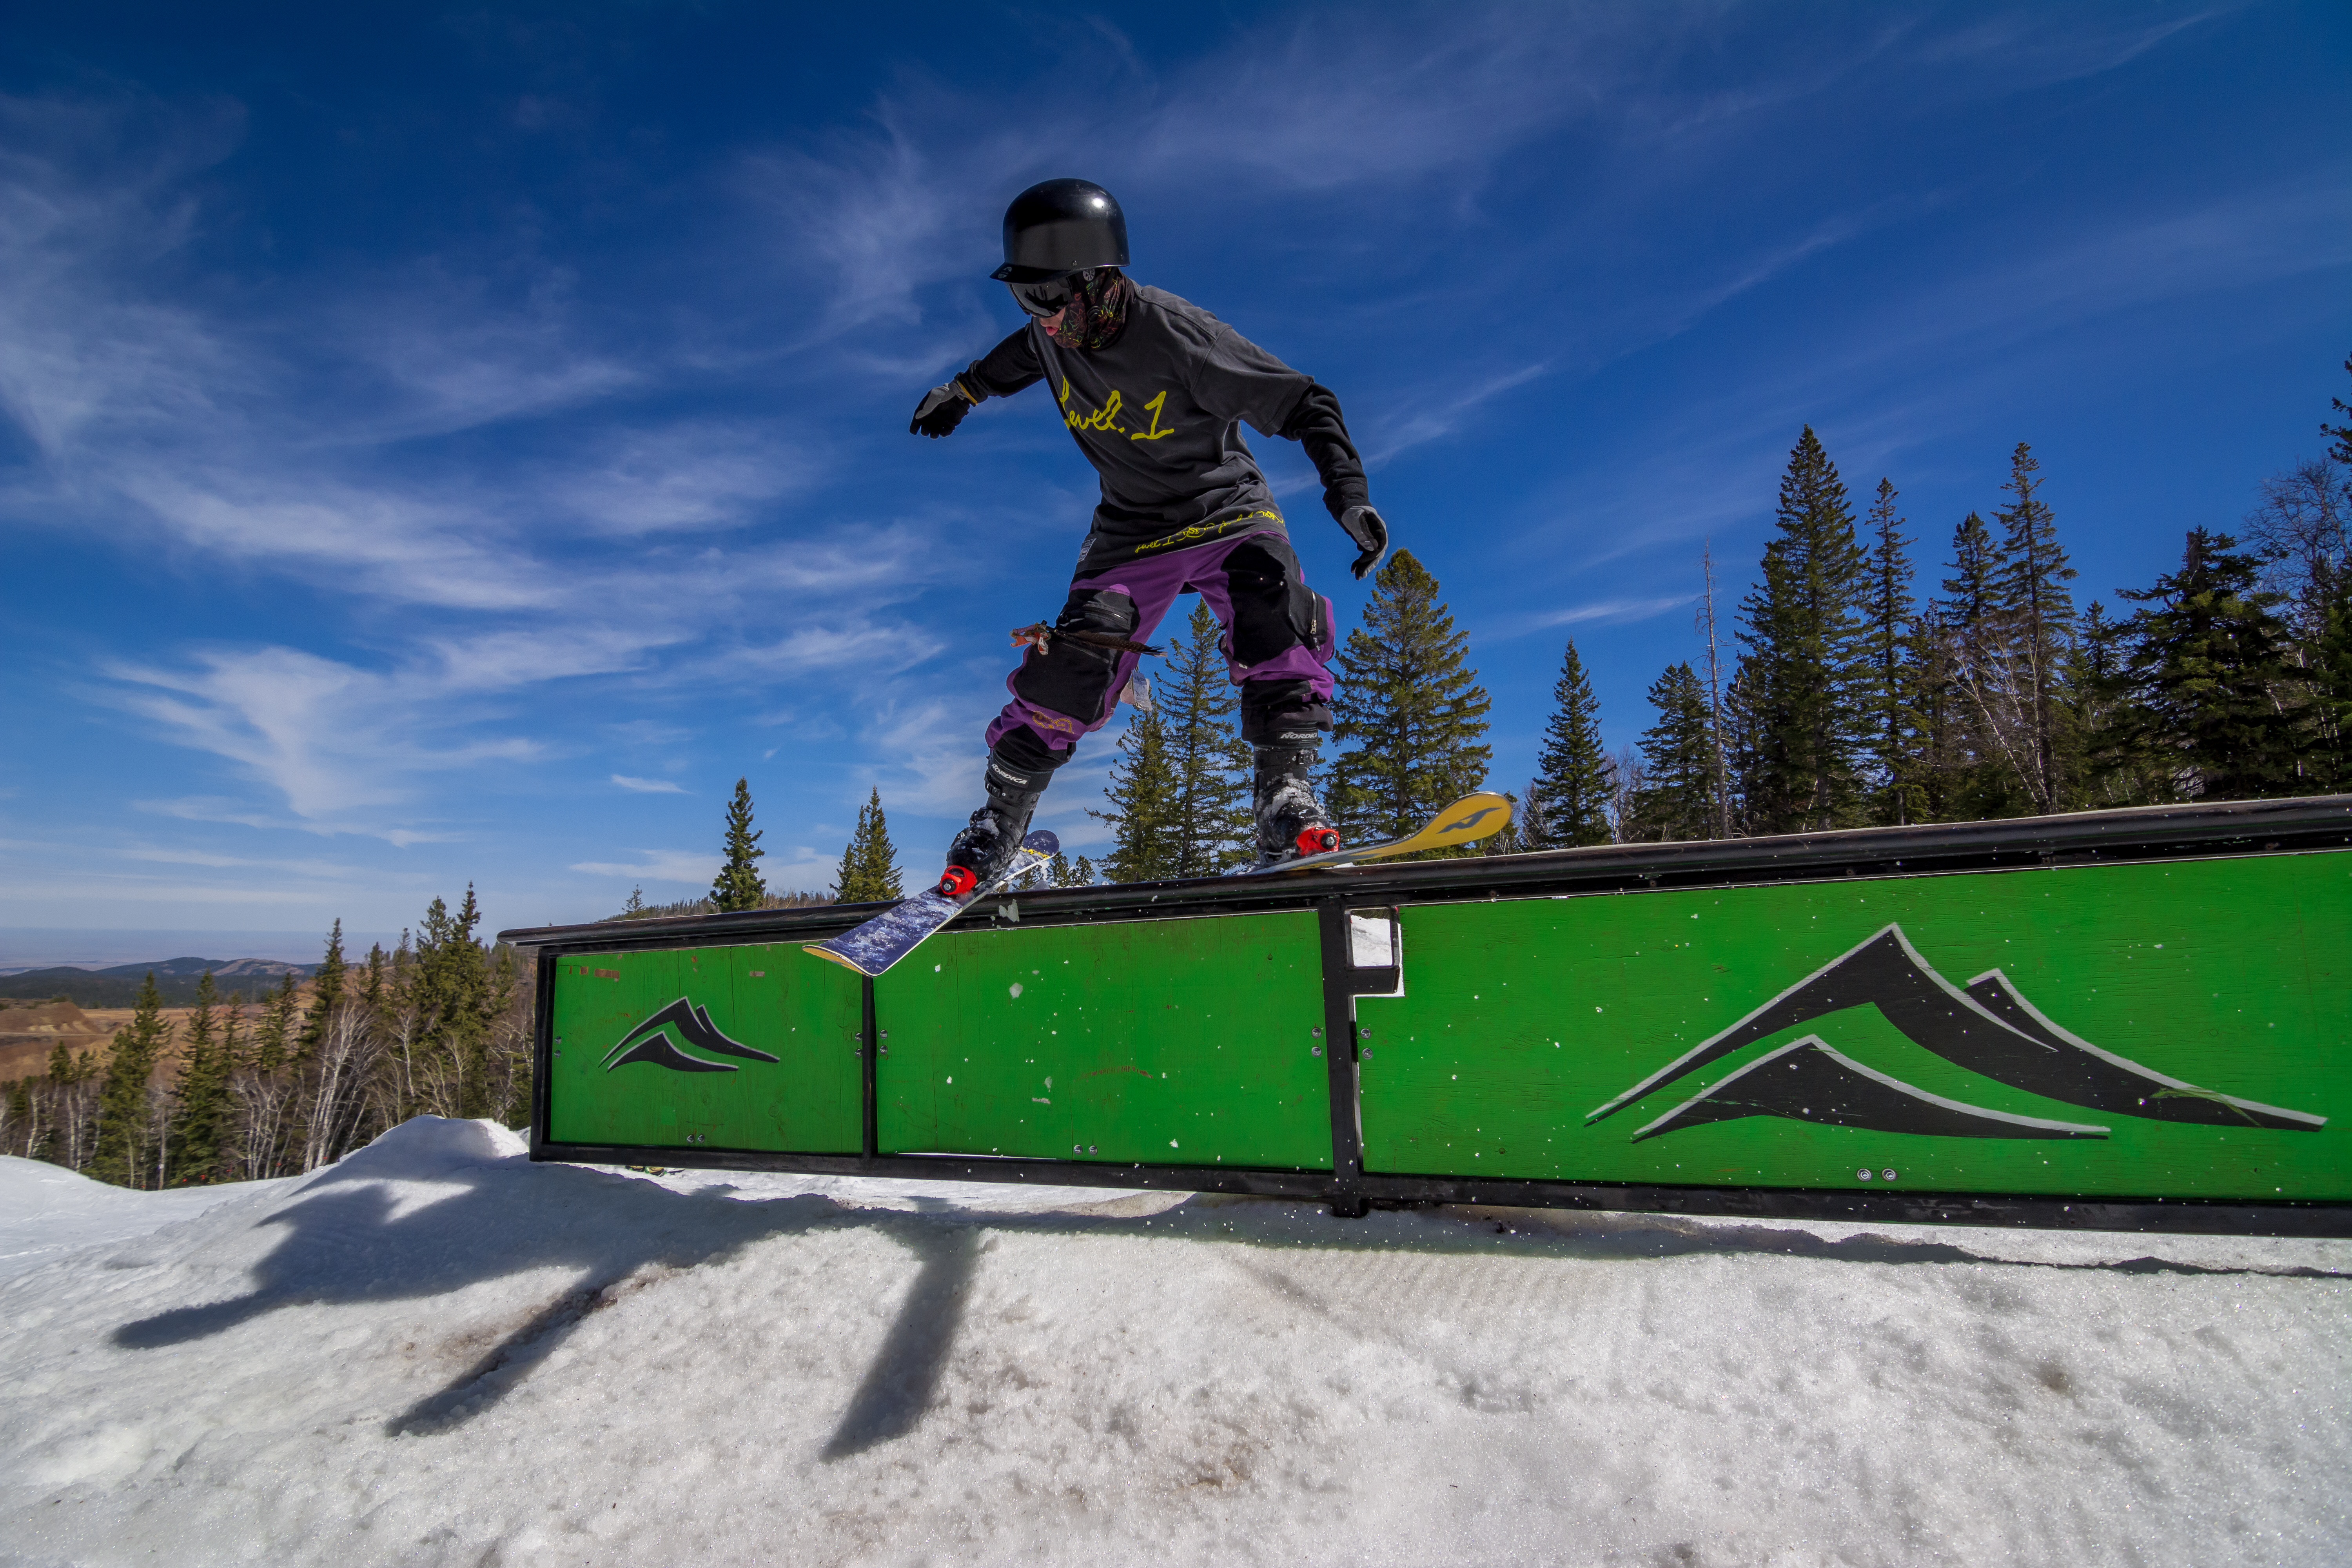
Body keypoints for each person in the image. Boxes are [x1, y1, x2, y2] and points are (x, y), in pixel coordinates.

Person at [911, 177, 1390, 893]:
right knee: (1069, 667)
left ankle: (1284, 793)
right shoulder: (1050, 334)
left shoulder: (1181, 336)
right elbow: (1014, 357)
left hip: (1225, 511)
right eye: (1024, 297)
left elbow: (1306, 401)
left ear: (1100, 280)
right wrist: (964, 390)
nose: (1039, 317)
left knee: (1273, 613)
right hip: (1131, 531)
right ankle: (999, 820)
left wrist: (1349, 496)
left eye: (1050, 297)